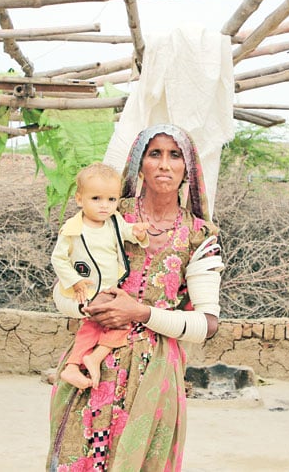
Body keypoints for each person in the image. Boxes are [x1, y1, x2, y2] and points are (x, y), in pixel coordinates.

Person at [47, 124, 224, 471]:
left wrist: (140, 312)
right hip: (91, 365)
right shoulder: (105, 213)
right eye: (154, 154)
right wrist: (91, 307)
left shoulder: (199, 235)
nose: (164, 164)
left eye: (175, 155)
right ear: (138, 163)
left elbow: (208, 324)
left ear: (188, 167)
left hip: (155, 374)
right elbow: (61, 292)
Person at [51, 162, 150, 390]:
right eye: (96, 199)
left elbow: (126, 232)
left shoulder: (114, 221)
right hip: (88, 288)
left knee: (96, 327)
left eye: (111, 200)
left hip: (109, 287)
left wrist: (136, 233)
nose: (104, 206)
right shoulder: (73, 229)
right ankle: (88, 360)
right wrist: (75, 282)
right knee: (111, 324)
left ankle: (75, 365)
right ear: (79, 199)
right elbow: (59, 258)